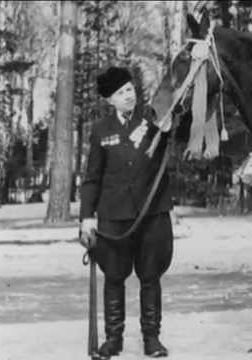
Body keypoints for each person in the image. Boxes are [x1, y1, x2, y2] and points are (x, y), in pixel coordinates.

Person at [79, 66, 173, 358]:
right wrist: (86, 218)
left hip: (151, 213)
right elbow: (93, 177)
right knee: (114, 277)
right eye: (121, 93)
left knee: (150, 276)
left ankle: (151, 339)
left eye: (130, 89)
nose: (128, 96)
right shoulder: (100, 130)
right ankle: (114, 339)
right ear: (109, 100)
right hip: (114, 216)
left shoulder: (155, 119)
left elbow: (180, 126)